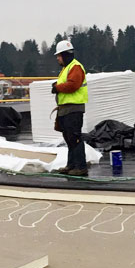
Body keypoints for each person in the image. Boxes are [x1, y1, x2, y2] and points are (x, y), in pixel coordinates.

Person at [51, 40, 88, 176]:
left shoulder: (75, 67)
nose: (57, 59)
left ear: (65, 55)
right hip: (66, 109)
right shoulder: (67, 68)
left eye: (59, 56)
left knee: (74, 137)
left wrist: (57, 88)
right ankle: (71, 165)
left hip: (73, 108)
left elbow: (73, 84)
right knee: (69, 137)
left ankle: (80, 167)